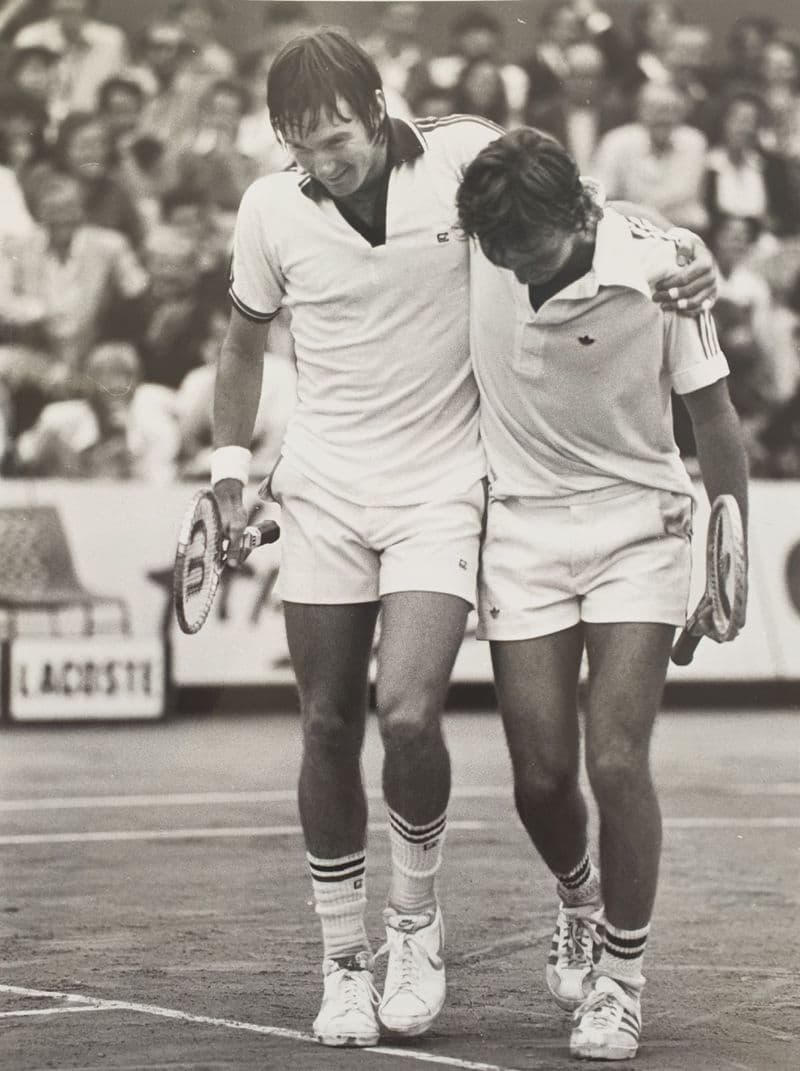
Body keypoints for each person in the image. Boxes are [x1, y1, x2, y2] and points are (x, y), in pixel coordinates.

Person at [210, 28, 716, 1051]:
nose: (322, 159)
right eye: (299, 142)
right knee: (320, 725)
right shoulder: (269, 209)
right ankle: (343, 960)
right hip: (323, 485)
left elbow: (576, 202)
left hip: (444, 482)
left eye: (337, 135)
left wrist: (683, 250)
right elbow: (240, 339)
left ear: (377, 103)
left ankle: (414, 925)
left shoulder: (457, 155)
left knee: (403, 714)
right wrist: (227, 473)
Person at [455, 127, 749, 1061]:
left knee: (616, 758)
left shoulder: (664, 272)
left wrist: (726, 547)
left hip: (639, 524)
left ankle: (620, 979)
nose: (508, 263)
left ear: (579, 216)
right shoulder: (482, 239)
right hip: (523, 527)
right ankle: (578, 895)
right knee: (540, 777)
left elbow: (714, 417)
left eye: (526, 249)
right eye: (495, 250)